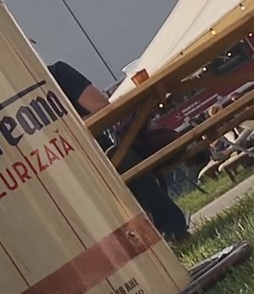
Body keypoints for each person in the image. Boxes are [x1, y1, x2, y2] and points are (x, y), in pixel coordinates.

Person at [47, 60, 190, 242]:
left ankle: (172, 229)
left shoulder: (57, 73)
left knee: (122, 159)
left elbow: (101, 107)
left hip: (97, 153)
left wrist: (66, 131)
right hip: (55, 170)